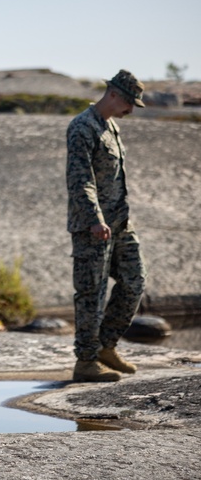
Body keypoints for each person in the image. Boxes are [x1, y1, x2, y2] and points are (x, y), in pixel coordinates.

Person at [66, 70, 148, 383]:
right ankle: (86, 361)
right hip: (93, 225)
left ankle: (106, 346)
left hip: (120, 223)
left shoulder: (112, 127)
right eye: (129, 102)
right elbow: (80, 179)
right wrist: (94, 219)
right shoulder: (82, 126)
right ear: (113, 94)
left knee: (134, 280)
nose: (130, 110)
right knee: (91, 292)